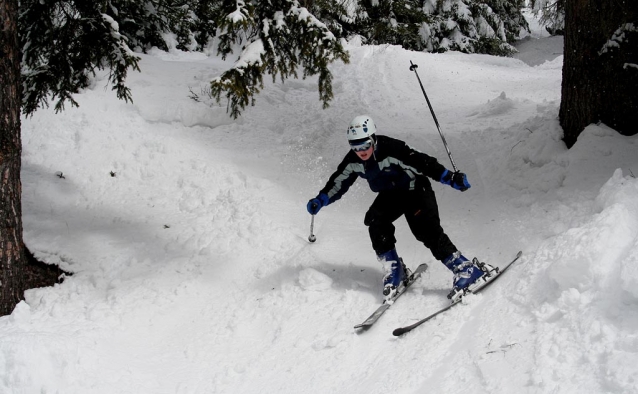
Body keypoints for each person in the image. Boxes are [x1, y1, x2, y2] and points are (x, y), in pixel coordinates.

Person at [306, 115, 484, 300]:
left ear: (373, 139)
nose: (361, 151)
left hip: (416, 189)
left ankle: (466, 268)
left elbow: (423, 162)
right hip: (392, 194)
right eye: (355, 146)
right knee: (375, 220)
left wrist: (449, 177)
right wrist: (322, 199)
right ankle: (395, 269)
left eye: (365, 145)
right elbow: (339, 181)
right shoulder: (353, 161)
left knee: (425, 230)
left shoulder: (391, 149)